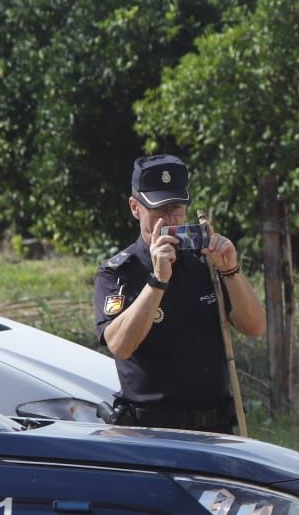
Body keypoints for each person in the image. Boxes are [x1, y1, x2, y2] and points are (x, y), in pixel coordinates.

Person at [95, 154, 266, 432]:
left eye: (176, 208)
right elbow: (120, 346)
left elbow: (255, 326)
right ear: (135, 208)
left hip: (214, 429)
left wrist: (230, 269)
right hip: (151, 433)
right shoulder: (120, 272)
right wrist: (157, 281)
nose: (170, 219)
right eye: (159, 210)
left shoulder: (205, 262)